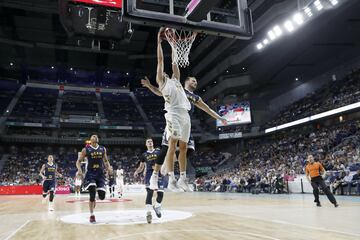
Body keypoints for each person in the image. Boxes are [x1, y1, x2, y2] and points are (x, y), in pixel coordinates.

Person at [141, 75, 226, 192]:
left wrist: (220, 118)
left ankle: (179, 175)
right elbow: (160, 92)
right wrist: (149, 85)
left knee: (189, 149)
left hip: (186, 124)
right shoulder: (177, 88)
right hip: (174, 120)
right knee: (165, 149)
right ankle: (155, 175)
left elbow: (207, 109)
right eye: (193, 80)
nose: (196, 82)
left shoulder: (195, 97)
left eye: (196, 81)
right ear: (186, 82)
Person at [148, 27, 192, 192]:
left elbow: (174, 62)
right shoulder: (162, 82)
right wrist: (159, 43)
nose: (165, 72)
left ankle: (182, 178)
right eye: (163, 73)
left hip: (184, 115)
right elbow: (161, 61)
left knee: (184, 147)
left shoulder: (176, 80)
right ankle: (170, 179)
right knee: (172, 142)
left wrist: (173, 44)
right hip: (172, 114)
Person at [76, 134, 112, 223]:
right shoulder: (86, 149)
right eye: (93, 136)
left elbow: (106, 161)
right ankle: (92, 215)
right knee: (92, 195)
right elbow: (78, 161)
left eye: (96, 136)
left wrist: (109, 168)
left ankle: (96, 197)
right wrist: (80, 170)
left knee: (102, 197)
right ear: (90, 140)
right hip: (90, 173)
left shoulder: (103, 149)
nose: (95, 136)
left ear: (98, 139)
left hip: (100, 174)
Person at [134, 138, 164, 224]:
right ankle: (149, 213)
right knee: (150, 193)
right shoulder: (144, 155)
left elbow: (163, 162)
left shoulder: (158, 152)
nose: (150, 143)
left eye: (151, 141)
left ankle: (157, 206)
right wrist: (136, 172)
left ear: (153, 143)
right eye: (148, 142)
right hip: (149, 175)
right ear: (146, 144)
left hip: (158, 174)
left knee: (161, 194)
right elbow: (141, 167)